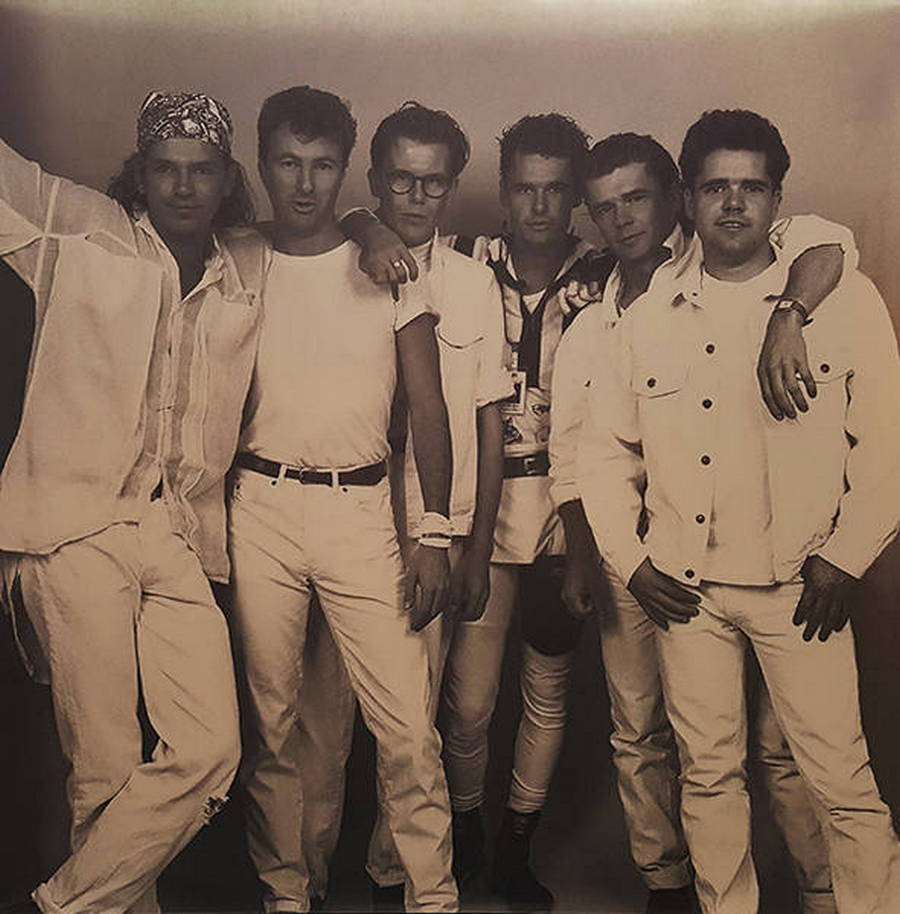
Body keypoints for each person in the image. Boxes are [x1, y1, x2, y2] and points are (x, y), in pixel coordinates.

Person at [577, 108, 900, 913]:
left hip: (802, 587)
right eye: (715, 187)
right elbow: (603, 455)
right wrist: (633, 562)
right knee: (709, 776)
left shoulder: (840, 299)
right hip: (688, 593)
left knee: (840, 780)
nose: (732, 204)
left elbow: (888, 445)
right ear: (687, 199)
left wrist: (846, 556)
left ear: (778, 199)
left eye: (751, 187)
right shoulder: (648, 318)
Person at [0, 91, 262, 914]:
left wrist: (366, 225)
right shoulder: (79, 228)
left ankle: (58, 908)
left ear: (227, 179)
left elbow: (326, 231)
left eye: (202, 170)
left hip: (176, 531)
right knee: (106, 769)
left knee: (210, 753)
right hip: (74, 525)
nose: (183, 187)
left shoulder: (245, 267)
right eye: (165, 169)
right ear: (140, 175)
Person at [225, 86, 457, 914]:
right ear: (261, 164)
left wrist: (435, 532)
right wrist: (366, 223)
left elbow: (428, 407)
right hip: (260, 504)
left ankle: (434, 898)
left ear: (346, 168)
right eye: (288, 162)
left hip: (361, 510)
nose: (304, 183)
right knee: (273, 723)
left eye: (323, 166)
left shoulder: (389, 267)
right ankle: (288, 894)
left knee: (408, 728)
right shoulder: (235, 258)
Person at [295, 100, 511, 909]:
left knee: (410, 723)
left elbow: (488, 421)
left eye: (435, 183)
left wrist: (471, 546)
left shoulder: (474, 285)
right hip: (339, 521)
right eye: (401, 181)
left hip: (430, 529)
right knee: (320, 720)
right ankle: (306, 882)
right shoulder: (333, 260)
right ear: (375, 180)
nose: (417, 197)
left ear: (452, 186)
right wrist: (360, 226)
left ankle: (396, 880)